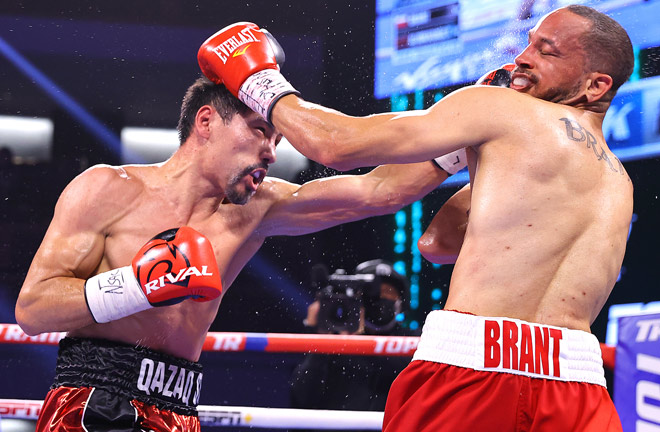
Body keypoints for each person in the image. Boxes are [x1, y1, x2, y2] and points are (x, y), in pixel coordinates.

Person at [198, 4, 634, 430]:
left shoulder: (503, 109)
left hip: (472, 370)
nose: (522, 58)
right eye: (529, 43)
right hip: (577, 387)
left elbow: (337, 145)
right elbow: (437, 245)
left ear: (595, 86)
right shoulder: (618, 183)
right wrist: (465, 152)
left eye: (547, 51)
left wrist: (258, 79)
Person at [14, 76, 457, 431]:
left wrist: (465, 132)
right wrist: (136, 285)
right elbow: (33, 309)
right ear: (206, 122)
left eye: (278, 140)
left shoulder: (256, 211)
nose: (271, 150)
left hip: (179, 408)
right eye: (261, 131)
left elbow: (379, 192)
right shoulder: (107, 189)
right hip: (94, 398)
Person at [290, 260, 419, 424]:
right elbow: (302, 397)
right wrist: (320, 340)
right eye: (373, 293)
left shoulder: (413, 339)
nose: (381, 298)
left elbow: (409, 376)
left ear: (401, 302)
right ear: (357, 297)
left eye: (389, 292)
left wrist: (359, 343)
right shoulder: (335, 340)